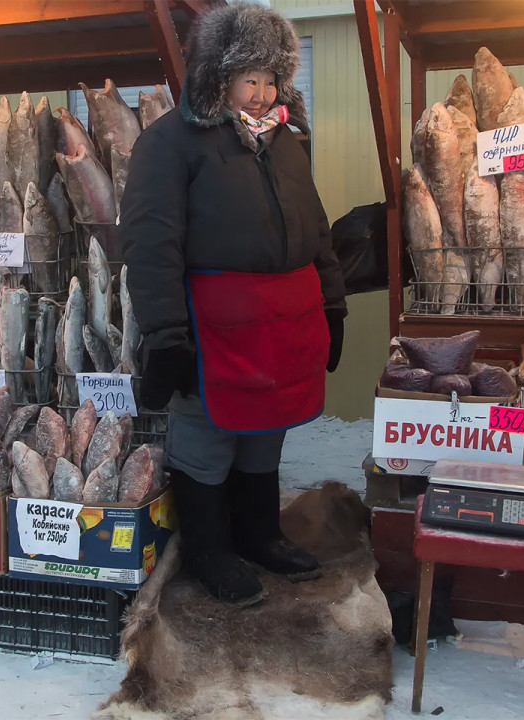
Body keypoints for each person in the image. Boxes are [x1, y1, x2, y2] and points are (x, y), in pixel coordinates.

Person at [117, 3, 347, 607]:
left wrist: (333, 303)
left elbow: (317, 227)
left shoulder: (286, 140)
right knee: (207, 437)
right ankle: (209, 550)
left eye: (272, 79)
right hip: (212, 326)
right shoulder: (169, 143)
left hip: (285, 321)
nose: (262, 92)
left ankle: (259, 534)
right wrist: (166, 333)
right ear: (217, 76)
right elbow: (150, 244)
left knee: (265, 432)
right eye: (250, 78)